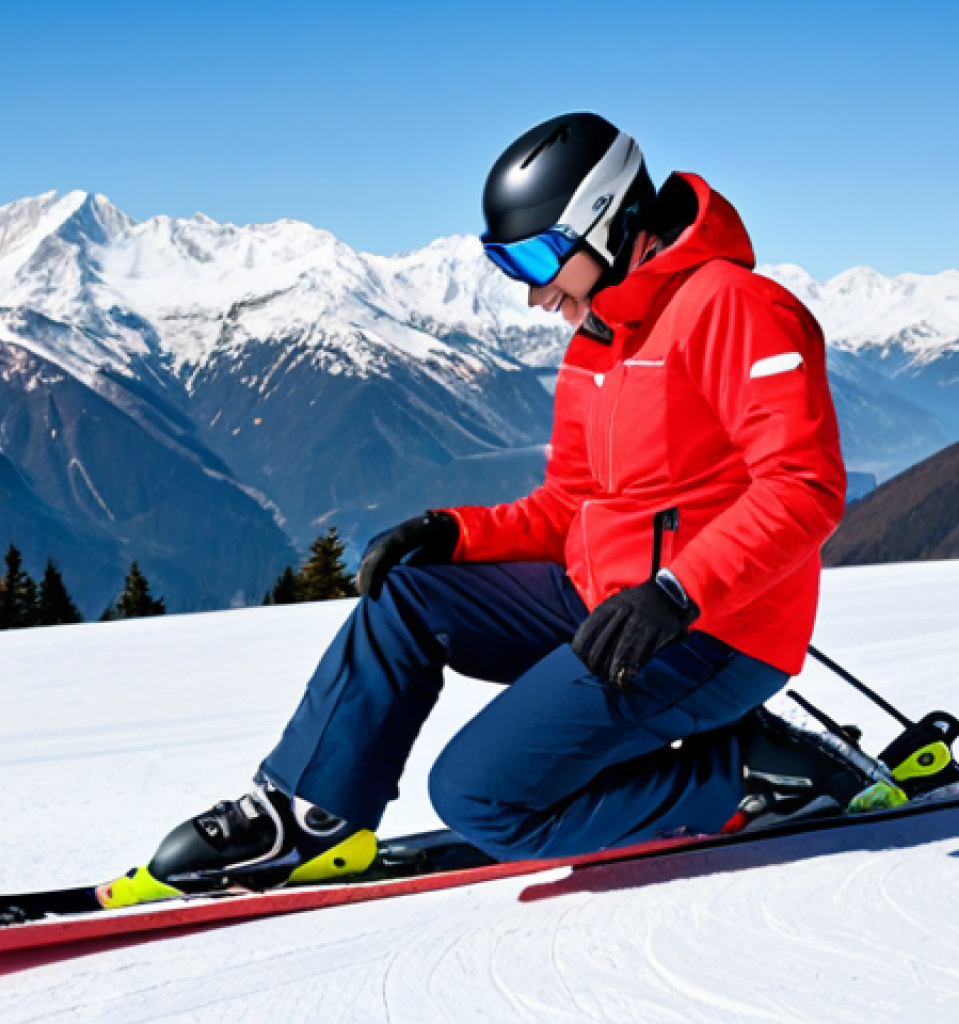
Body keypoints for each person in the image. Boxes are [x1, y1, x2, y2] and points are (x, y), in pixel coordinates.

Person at [100, 112, 870, 909]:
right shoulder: (601, 337)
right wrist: (453, 532)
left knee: (481, 800)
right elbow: (569, 505)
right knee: (408, 598)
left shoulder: (735, 307)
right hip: (606, 603)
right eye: (511, 264)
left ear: (608, 220)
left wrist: (678, 593)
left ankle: (742, 775)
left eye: (541, 257)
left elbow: (802, 486)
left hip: (711, 631)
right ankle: (312, 813)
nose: (537, 294)